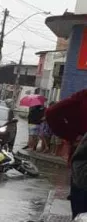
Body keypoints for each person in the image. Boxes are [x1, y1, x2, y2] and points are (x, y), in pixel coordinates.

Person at [45, 89, 87, 218]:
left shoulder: (83, 96)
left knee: (81, 208)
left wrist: (73, 136)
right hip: (82, 163)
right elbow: (52, 112)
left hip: (82, 164)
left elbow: (52, 112)